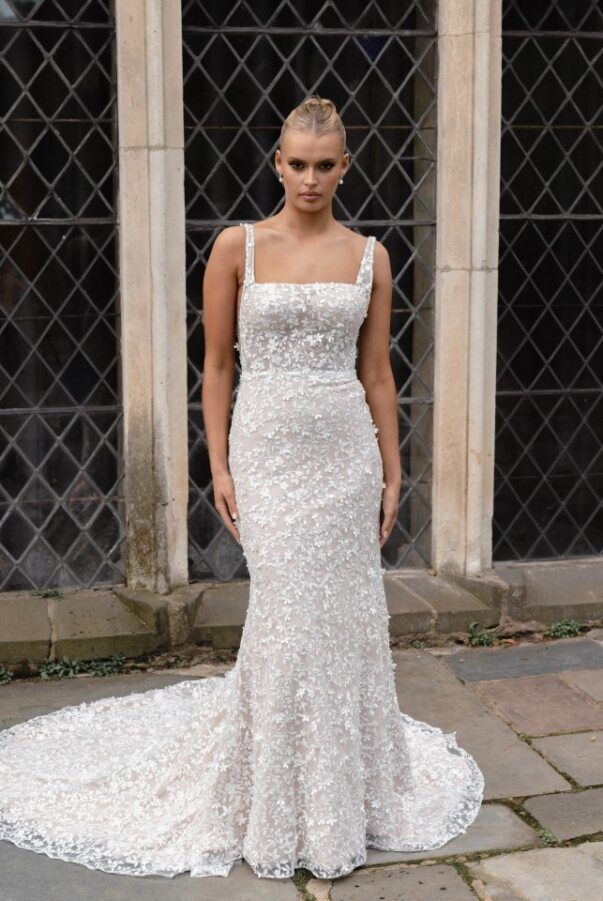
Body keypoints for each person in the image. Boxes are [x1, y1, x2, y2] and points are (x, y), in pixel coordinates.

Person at [0, 96, 484, 882]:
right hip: (267, 453)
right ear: (277, 162)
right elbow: (217, 365)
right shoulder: (237, 247)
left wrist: (394, 473)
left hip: (343, 457)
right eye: (296, 162)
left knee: (341, 623)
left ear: (345, 166)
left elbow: (378, 373)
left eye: (324, 164)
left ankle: (340, 801)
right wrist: (219, 465)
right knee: (286, 616)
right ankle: (270, 801)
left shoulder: (370, 256)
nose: (309, 178)